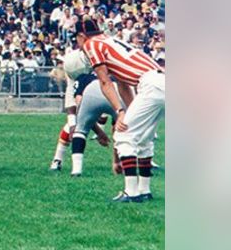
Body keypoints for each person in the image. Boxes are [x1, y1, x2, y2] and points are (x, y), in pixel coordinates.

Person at [69, 22, 164, 202]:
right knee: (143, 137)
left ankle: (131, 192)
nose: (79, 46)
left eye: (77, 40)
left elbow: (105, 82)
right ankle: (144, 190)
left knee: (123, 136)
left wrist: (120, 111)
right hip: (160, 81)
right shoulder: (110, 40)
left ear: (82, 36)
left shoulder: (92, 44)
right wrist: (127, 110)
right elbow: (122, 84)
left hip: (151, 85)